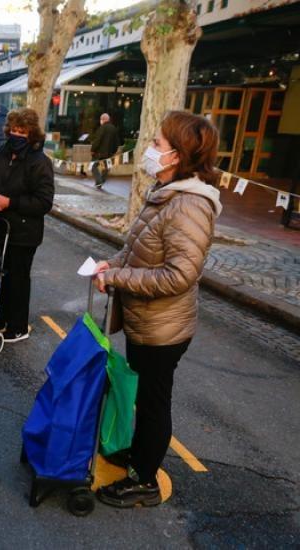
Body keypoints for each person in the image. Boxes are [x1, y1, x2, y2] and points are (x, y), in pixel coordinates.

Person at [93, 111, 222, 508]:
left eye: (157, 144)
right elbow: (140, 249)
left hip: (163, 329)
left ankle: (144, 480)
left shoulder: (189, 205)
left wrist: (119, 278)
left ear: (177, 155)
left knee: (152, 402)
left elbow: (179, 275)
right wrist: (112, 264)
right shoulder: (166, 193)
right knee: (145, 397)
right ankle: (138, 455)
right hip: (146, 322)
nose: (148, 148)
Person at [0, 108, 54, 343]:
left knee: (17, 280)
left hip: (23, 232)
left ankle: (18, 327)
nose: (16, 135)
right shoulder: (1, 152)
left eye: (22, 132)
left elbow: (44, 202)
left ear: (31, 134)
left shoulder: (40, 162)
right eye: (13, 130)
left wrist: (9, 202)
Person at [90, 113, 120, 188]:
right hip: (109, 153)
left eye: (101, 119)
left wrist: (93, 149)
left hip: (99, 153)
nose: (100, 121)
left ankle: (99, 181)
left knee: (93, 166)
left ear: (103, 119)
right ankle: (101, 181)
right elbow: (116, 142)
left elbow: (97, 140)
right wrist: (113, 151)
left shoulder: (102, 128)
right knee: (106, 168)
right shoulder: (113, 128)